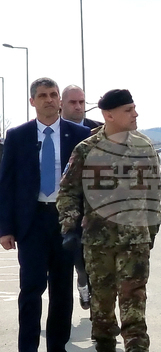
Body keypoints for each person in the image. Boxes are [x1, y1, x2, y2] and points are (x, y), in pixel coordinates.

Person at [57, 89, 161, 352]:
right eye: (128, 110)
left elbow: (154, 193)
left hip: (136, 239)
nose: (135, 114)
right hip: (98, 241)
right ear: (109, 115)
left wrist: (152, 231)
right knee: (102, 303)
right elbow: (68, 192)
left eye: (134, 108)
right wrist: (69, 225)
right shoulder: (86, 150)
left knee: (134, 297)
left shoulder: (145, 147)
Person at [0, 78, 91, 352]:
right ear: (32, 102)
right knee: (32, 286)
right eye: (43, 96)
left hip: (66, 221)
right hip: (32, 221)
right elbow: (7, 184)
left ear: (60, 101)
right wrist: (5, 227)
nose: (49, 100)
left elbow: (88, 184)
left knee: (62, 288)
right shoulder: (18, 136)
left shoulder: (79, 135)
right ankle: (27, 351)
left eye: (53, 95)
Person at [59, 84, 100, 311]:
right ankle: (82, 281)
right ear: (61, 105)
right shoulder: (55, 131)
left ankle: (99, 319)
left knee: (95, 262)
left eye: (82, 102)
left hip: (94, 205)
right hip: (66, 204)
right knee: (77, 258)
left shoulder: (99, 130)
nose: (78, 107)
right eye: (73, 102)